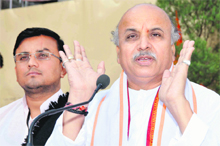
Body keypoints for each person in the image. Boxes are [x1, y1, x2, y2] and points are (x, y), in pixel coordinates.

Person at [46, 3, 220, 146]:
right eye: (131, 36)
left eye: (155, 34)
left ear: (172, 50)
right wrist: (78, 99)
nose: (143, 45)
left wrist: (178, 104)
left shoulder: (209, 102)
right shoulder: (91, 106)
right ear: (119, 53)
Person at [0, 27, 69, 145]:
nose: (31, 63)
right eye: (23, 57)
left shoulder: (80, 112)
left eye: (42, 55)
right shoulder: (2, 117)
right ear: (16, 71)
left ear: (63, 68)